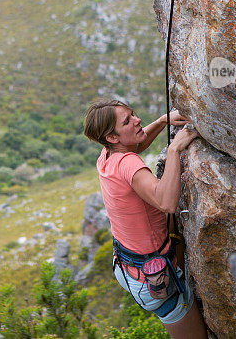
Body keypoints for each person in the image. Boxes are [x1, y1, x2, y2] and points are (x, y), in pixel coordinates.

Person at [83, 99, 207, 339]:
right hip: (155, 276)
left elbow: (135, 146)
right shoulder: (128, 164)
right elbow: (166, 202)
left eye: (133, 115)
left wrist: (162, 121)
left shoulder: (107, 157)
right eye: (127, 121)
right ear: (112, 137)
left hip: (129, 264)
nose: (137, 120)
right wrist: (174, 149)